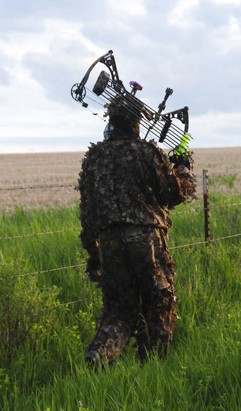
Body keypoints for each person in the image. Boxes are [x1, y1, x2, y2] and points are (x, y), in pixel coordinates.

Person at [78, 98, 196, 369]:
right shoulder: (145, 152)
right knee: (158, 304)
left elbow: (88, 213)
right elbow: (173, 194)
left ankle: (99, 352)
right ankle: (151, 368)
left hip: (108, 241)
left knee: (119, 311)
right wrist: (182, 166)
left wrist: (94, 254)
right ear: (136, 121)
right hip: (147, 240)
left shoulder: (94, 158)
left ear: (111, 120)